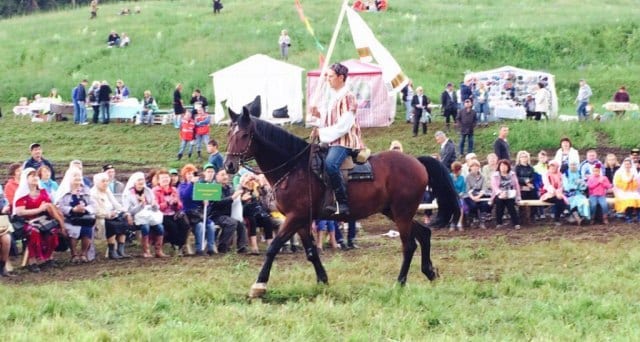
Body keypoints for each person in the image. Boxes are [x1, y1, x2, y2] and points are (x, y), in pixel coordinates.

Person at [310, 62, 364, 216]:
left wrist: (321, 133)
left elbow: (343, 127)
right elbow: (328, 123)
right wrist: (318, 115)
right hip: (331, 140)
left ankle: (343, 203)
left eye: (331, 76)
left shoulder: (348, 97)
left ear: (341, 77)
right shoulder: (332, 98)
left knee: (330, 164)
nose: (328, 79)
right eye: (327, 76)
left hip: (345, 141)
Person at [13, 168, 67, 272]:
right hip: (27, 221)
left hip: (43, 219)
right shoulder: (22, 194)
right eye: (32, 176)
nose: (35, 178)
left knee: (52, 231)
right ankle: (32, 261)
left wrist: (45, 209)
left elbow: (48, 206)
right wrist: (39, 209)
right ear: (26, 178)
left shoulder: (42, 192)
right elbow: (20, 212)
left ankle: (48, 258)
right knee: (34, 232)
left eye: (36, 176)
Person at [55, 167, 96, 263]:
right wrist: (73, 209)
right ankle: (74, 254)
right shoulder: (64, 191)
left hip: (85, 217)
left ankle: (84, 254)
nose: (77, 178)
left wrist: (85, 209)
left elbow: (93, 204)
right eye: (75, 176)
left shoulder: (86, 190)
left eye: (79, 176)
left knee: (87, 230)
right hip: (70, 218)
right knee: (73, 230)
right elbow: (60, 206)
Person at [122, 172, 166, 258]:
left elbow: (155, 208)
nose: (141, 183)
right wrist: (141, 204)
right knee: (145, 227)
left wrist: (154, 205)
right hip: (136, 217)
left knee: (160, 227)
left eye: (142, 180)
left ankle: (158, 250)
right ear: (134, 182)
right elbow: (129, 211)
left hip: (150, 216)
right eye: (139, 181)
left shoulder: (148, 191)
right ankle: (146, 250)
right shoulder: (128, 194)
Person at [91, 172, 133, 259]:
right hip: (100, 218)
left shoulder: (107, 191)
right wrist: (108, 214)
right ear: (97, 182)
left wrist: (125, 212)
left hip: (112, 215)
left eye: (107, 181)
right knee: (112, 225)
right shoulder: (93, 194)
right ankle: (112, 251)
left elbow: (116, 204)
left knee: (123, 222)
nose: (106, 183)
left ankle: (120, 251)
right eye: (103, 181)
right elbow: (95, 210)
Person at [210, 169, 248, 254]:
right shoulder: (214, 188)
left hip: (227, 215)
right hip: (215, 215)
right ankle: (222, 247)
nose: (225, 177)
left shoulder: (229, 188)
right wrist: (232, 197)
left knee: (240, 222)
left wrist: (243, 200)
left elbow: (235, 202)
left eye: (226, 175)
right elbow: (217, 203)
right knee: (231, 222)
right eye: (222, 175)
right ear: (217, 177)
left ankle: (242, 247)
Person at [153, 169, 190, 255]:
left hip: (173, 213)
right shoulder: (155, 191)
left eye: (167, 177)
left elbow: (180, 206)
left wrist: (176, 203)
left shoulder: (174, 189)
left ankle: (180, 246)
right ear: (158, 180)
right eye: (163, 178)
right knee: (172, 226)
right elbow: (156, 207)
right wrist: (167, 203)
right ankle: (175, 245)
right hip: (161, 215)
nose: (165, 179)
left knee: (185, 225)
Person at [239, 173, 277, 254]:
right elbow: (239, 199)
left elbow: (264, 192)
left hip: (257, 211)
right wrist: (245, 188)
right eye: (246, 176)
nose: (249, 179)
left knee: (267, 219)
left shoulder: (255, 187)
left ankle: (270, 246)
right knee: (251, 220)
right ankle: (254, 247)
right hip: (244, 211)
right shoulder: (240, 187)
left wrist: (260, 183)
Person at [489, 159, 521, 229]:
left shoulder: (512, 174)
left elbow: (516, 185)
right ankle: (499, 223)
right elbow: (494, 186)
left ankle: (516, 223)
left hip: (510, 193)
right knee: (499, 202)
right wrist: (500, 193)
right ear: (499, 167)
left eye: (505, 165)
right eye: (502, 165)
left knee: (510, 204)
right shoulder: (495, 175)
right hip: (498, 194)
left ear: (508, 167)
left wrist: (518, 196)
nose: (503, 167)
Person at [540, 160, 568, 226]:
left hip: (559, 193)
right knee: (559, 201)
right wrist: (556, 193)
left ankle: (559, 216)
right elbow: (547, 185)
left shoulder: (560, 174)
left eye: (554, 167)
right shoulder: (546, 174)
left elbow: (562, 185)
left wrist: (559, 192)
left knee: (561, 200)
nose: (552, 168)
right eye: (551, 166)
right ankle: (557, 219)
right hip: (548, 194)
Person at [464, 159, 491, 229]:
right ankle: (474, 219)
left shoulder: (483, 177)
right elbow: (467, 189)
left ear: (479, 167)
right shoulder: (468, 177)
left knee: (485, 204)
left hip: (480, 194)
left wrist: (479, 196)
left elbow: (484, 188)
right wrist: (473, 197)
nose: (475, 167)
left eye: (476, 166)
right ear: (470, 168)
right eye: (473, 166)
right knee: (472, 205)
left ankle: (482, 221)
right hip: (470, 195)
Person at [612, 158, 640, 223]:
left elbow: (636, 185)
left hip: (632, 191)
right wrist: (628, 182)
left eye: (628, 164)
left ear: (631, 165)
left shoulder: (634, 173)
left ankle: (639, 217)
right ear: (624, 165)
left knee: (638, 200)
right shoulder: (619, 173)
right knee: (629, 201)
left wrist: (632, 182)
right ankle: (629, 217)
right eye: (626, 164)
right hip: (622, 191)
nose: (627, 166)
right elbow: (618, 184)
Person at [563, 161, 590, 225]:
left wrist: (582, 184)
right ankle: (578, 219)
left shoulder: (579, 173)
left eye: (575, 165)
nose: (573, 166)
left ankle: (586, 217)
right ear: (569, 165)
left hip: (579, 193)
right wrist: (575, 184)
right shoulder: (566, 174)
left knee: (585, 201)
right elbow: (566, 187)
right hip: (569, 194)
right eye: (572, 165)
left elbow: (583, 187)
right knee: (573, 202)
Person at [515, 151, 540, 220]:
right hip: (520, 187)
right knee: (523, 195)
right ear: (519, 158)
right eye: (522, 157)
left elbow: (533, 177)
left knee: (534, 195)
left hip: (530, 186)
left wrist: (529, 184)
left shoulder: (531, 168)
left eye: (525, 157)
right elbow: (516, 178)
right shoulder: (517, 168)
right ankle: (521, 215)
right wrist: (525, 181)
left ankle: (533, 214)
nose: (524, 158)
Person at [449, 161, 466, 231]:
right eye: (460, 169)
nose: (461, 171)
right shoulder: (450, 177)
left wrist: (461, 193)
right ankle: (452, 223)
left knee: (461, 206)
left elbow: (464, 188)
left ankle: (459, 223)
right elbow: (449, 187)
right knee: (453, 206)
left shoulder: (462, 178)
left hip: (460, 196)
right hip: (451, 196)